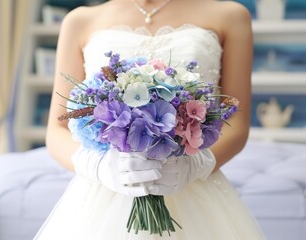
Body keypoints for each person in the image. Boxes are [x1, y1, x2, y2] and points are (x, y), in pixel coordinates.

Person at [34, 0, 265, 239]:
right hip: (107, 188)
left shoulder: (230, 15)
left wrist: (195, 165)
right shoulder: (80, 20)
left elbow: (236, 121)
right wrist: (100, 168)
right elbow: (58, 128)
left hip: (194, 187)